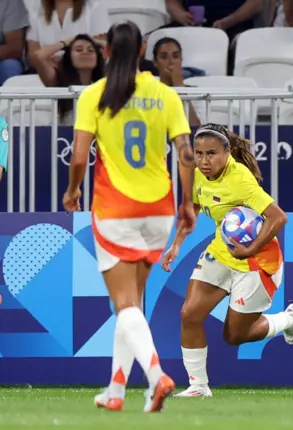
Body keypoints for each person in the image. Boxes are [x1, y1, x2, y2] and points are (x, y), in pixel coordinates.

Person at [62, 21, 197, 413]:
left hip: (115, 208)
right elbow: (186, 154)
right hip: (159, 209)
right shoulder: (165, 95)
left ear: (106, 53)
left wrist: (72, 191)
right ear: (143, 53)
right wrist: (188, 203)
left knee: (124, 305)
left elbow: (79, 156)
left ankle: (157, 377)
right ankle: (116, 390)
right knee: (133, 303)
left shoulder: (94, 95)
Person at [161, 123, 293, 397]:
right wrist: (176, 243)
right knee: (189, 314)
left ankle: (289, 318)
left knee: (234, 335)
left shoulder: (241, 180)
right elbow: (194, 207)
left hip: (257, 261)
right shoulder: (197, 173)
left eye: (212, 153)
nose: (204, 160)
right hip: (222, 252)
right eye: (199, 153)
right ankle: (199, 387)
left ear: (227, 152)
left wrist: (250, 250)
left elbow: (278, 217)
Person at [33, 34, 105, 123]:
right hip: (65, 135)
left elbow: (124, 54)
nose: (85, 52)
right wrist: (64, 43)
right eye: (79, 50)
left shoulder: (103, 84)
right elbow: (39, 56)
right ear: (69, 58)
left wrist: (95, 41)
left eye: (90, 50)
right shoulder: (59, 81)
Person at [152, 37, 201, 125]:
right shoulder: (148, 89)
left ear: (181, 61)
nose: (171, 62)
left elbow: (196, 129)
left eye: (175, 56)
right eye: (164, 57)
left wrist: (179, 87)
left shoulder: (195, 93)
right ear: (155, 62)